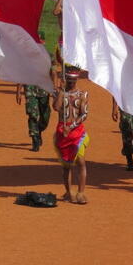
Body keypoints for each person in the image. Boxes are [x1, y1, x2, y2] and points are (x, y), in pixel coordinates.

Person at [52, 66, 90, 204]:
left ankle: (81, 193)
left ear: (76, 80)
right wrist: (61, 93)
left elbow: (84, 114)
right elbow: (56, 107)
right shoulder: (59, 93)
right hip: (63, 132)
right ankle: (69, 192)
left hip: (77, 132)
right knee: (66, 165)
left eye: (73, 81)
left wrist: (72, 127)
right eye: (68, 81)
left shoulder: (83, 94)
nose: (70, 83)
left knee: (81, 162)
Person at [111, 99, 133, 171]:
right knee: (126, 129)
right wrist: (114, 107)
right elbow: (116, 89)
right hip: (125, 105)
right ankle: (129, 159)